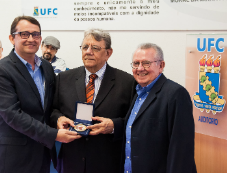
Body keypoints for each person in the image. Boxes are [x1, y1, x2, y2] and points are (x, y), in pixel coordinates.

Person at [0, 16, 80, 173]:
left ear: (40, 39)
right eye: (24, 34)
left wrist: (58, 118)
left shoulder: (46, 67)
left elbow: (48, 107)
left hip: (42, 155)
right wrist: (54, 134)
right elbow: (12, 115)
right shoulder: (0, 70)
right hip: (13, 157)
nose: (31, 39)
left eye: (36, 34)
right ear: (12, 38)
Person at [50, 28, 135, 173]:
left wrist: (114, 125)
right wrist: (58, 118)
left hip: (108, 162)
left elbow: (135, 120)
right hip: (71, 161)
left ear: (108, 53)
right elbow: (52, 110)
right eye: (85, 47)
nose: (88, 51)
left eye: (95, 48)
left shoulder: (127, 82)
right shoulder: (63, 79)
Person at [122, 43, 197, 173]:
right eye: (136, 63)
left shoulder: (176, 94)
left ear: (161, 66)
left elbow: (182, 149)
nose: (140, 68)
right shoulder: (137, 91)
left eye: (146, 63)